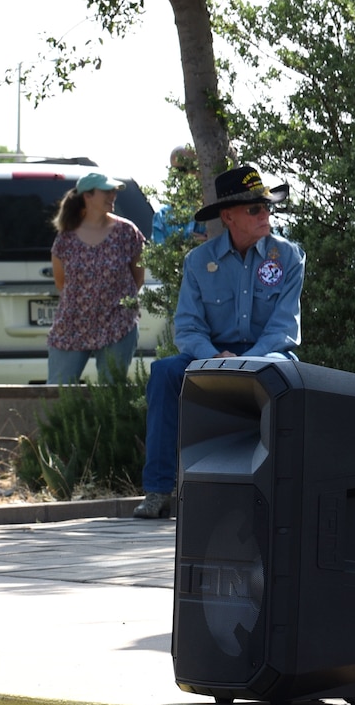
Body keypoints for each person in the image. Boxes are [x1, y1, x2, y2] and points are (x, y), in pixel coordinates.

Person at [133, 165, 305, 520]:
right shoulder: (198, 261)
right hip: (211, 356)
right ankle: (158, 489)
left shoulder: (289, 257)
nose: (265, 214)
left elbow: (283, 328)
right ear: (229, 217)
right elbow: (188, 328)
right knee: (165, 372)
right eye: (255, 209)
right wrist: (215, 358)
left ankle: (285, 488)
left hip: (266, 354)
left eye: (267, 206)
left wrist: (244, 362)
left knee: (284, 373)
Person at [47, 171, 146, 385]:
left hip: (118, 324)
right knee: (58, 390)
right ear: (87, 196)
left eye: (114, 191)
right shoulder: (66, 237)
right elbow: (61, 283)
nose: (113, 196)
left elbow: (138, 277)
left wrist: (113, 304)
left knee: (112, 393)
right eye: (106, 191)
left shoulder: (127, 232)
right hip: (72, 324)